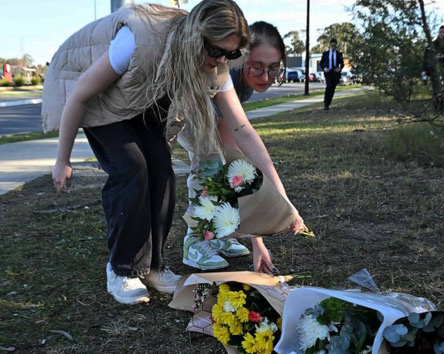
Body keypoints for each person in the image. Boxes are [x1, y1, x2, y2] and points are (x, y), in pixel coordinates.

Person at [42, 0, 305, 305]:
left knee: (162, 172)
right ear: (196, 37)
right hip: (98, 98)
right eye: (216, 51)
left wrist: (284, 203)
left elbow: (242, 130)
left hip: (140, 99)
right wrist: (63, 159)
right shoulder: (139, 40)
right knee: (132, 168)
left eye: (231, 54)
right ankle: (122, 269)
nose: (221, 60)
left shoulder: (214, 63)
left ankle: (153, 266)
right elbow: (79, 94)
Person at [179, 21, 287, 272]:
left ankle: (220, 235)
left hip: (205, 117)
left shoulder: (244, 82)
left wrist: (283, 200)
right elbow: (236, 161)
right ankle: (194, 241)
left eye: (273, 69)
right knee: (212, 168)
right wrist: (257, 240)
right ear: (241, 56)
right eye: (257, 67)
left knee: (223, 167)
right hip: (183, 116)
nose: (265, 77)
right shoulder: (226, 76)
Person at [421, 25, 444, 108]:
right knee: (436, 90)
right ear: (438, 32)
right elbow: (425, 59)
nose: (442, 33)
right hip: (434, 71)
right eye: (441, 32)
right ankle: (437, 108)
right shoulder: (432, 45)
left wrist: (443, 56)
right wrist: (424, 70)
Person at [319, 38, 344, 110]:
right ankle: (325, 103)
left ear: (336, 45)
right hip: (328, 72)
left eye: (334, 45)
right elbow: (321, 63)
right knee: (329, 86)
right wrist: (324, 68)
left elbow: (342, 64)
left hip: (335, 73)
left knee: (332, 88)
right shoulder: (325, 54)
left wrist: (340, 68)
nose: (333, 46)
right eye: (332, 45)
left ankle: (328, 103)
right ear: (330, 45)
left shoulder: (339, 54)